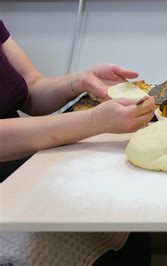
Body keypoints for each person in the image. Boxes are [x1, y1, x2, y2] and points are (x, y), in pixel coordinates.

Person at [0, 20, 152, 265]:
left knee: (127, 206)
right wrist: (94, 121)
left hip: (22, 154)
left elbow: (31, 90)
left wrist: (80, 81)